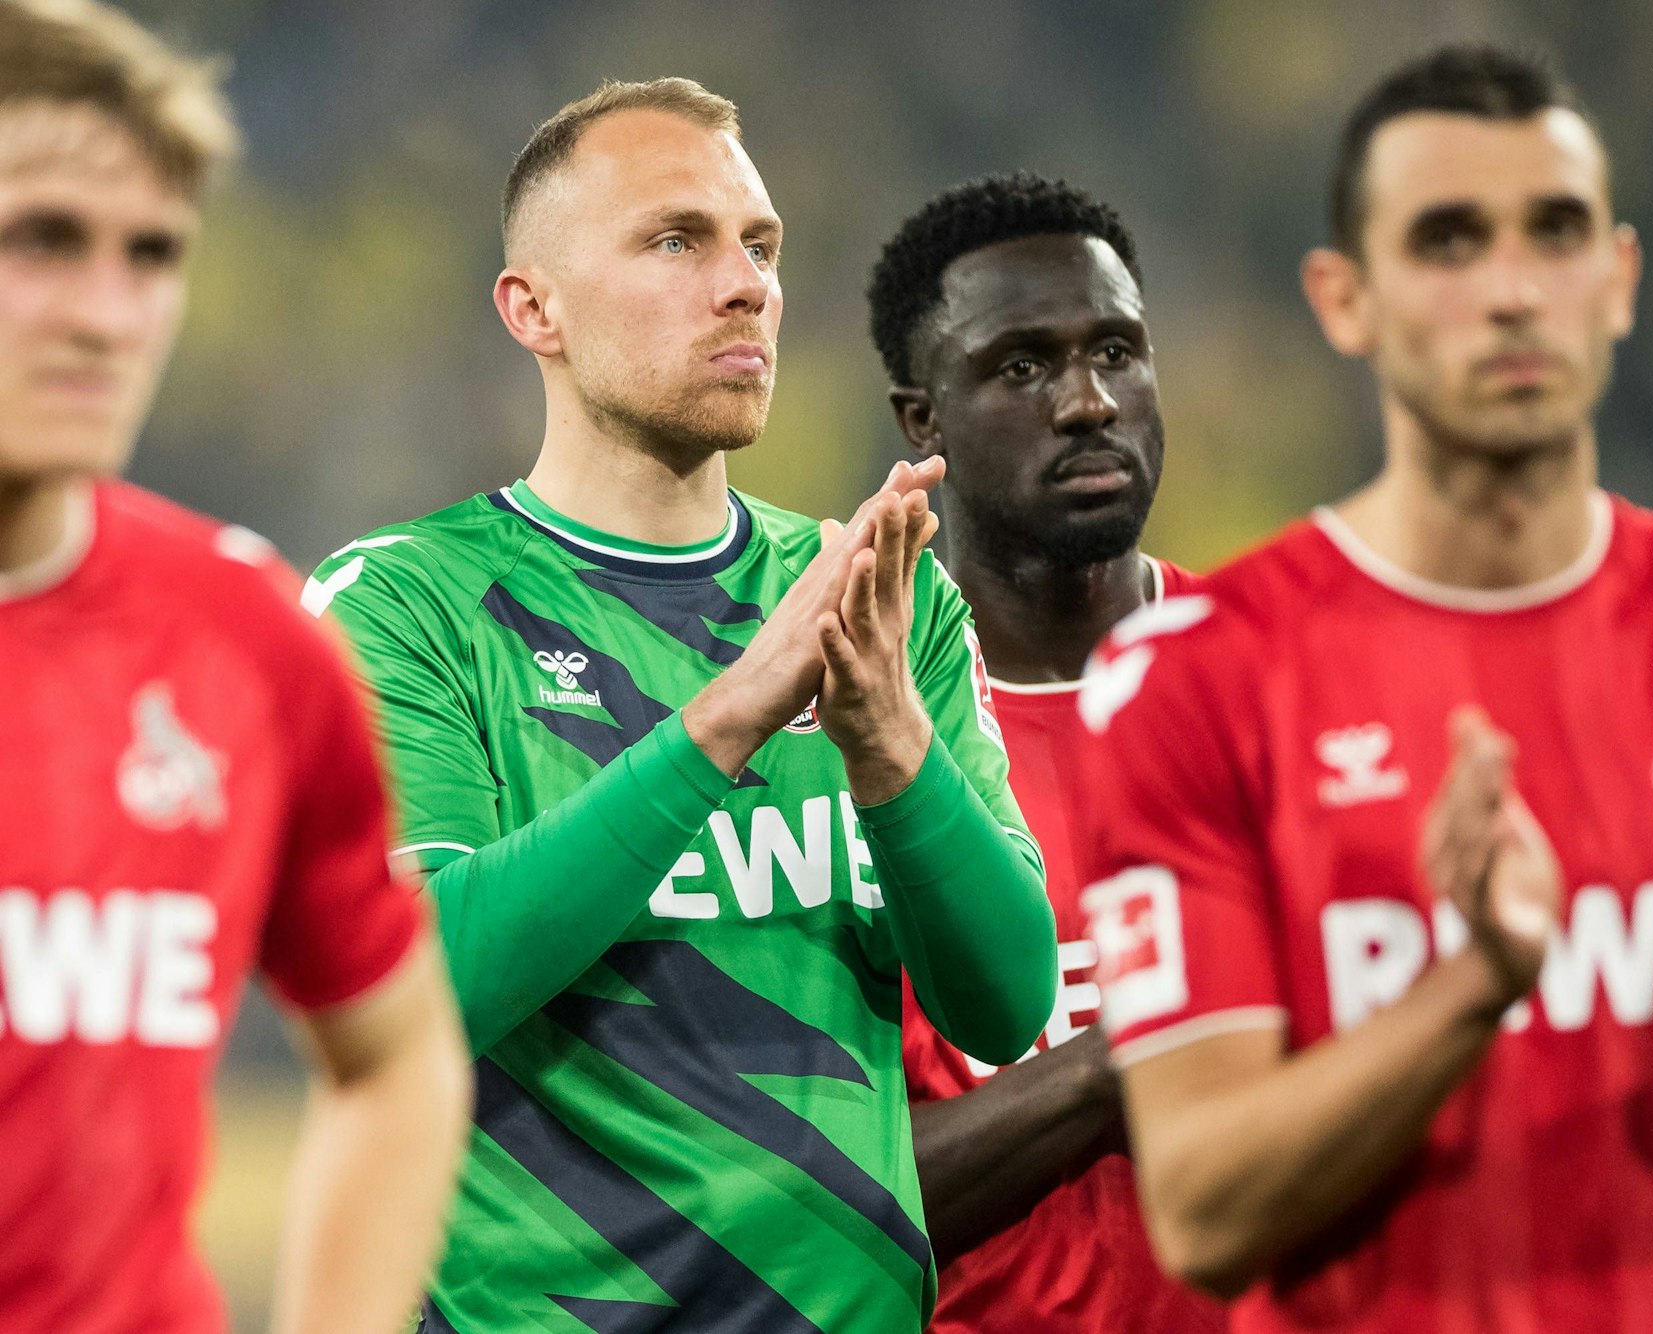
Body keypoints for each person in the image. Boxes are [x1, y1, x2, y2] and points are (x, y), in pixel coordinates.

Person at [306, 78, 1056, 1333]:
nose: (746, 282)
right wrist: (725, 720)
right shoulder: (404, 603)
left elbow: (1006, 1001)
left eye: (759, 244)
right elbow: (415, 995)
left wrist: (888, 745)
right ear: (531, 307)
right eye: (676, 240)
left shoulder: (877, 601)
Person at [1074, 43, 1653, 1333]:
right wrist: (1474, 984)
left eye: (1554, 233)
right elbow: (1204, 1211)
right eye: (1449, 242)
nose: (1513, 291)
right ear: (1346, 299)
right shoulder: (1197, 680)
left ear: (1618, 278)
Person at [0, 2, 470, 1330]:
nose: (108, 313)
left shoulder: (245, 636)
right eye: (42, 238)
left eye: (150, 254)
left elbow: (396, 1056)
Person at [866, 173, 1222, 1333]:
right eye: (1021, 366)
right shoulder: (847, 737)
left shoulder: (1292, 692)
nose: (1087, 402)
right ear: (922, 419)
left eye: (1117, 351)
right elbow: (817, 1189)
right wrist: (1117, 1064)